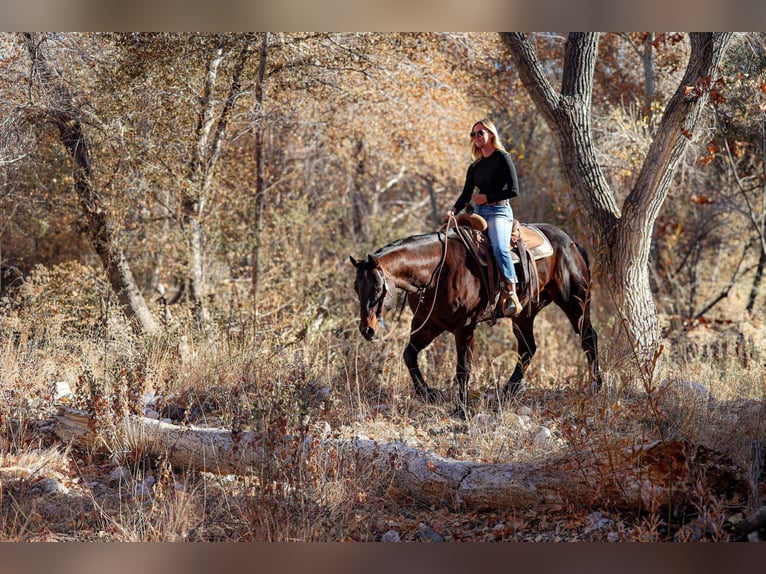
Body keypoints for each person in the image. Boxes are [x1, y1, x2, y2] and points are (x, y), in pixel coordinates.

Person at [445, 118, 522, 317]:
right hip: (478, 213)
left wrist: (488, 198)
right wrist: (453, 210)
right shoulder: (475, 167)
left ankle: (511, 292)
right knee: (460, 245)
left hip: (499, 212)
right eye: (473, 134)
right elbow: (466, 194)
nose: (477, 137)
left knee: (499, 247)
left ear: (491, 134)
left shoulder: (502, 158)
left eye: (480, 133)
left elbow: (514, 190)